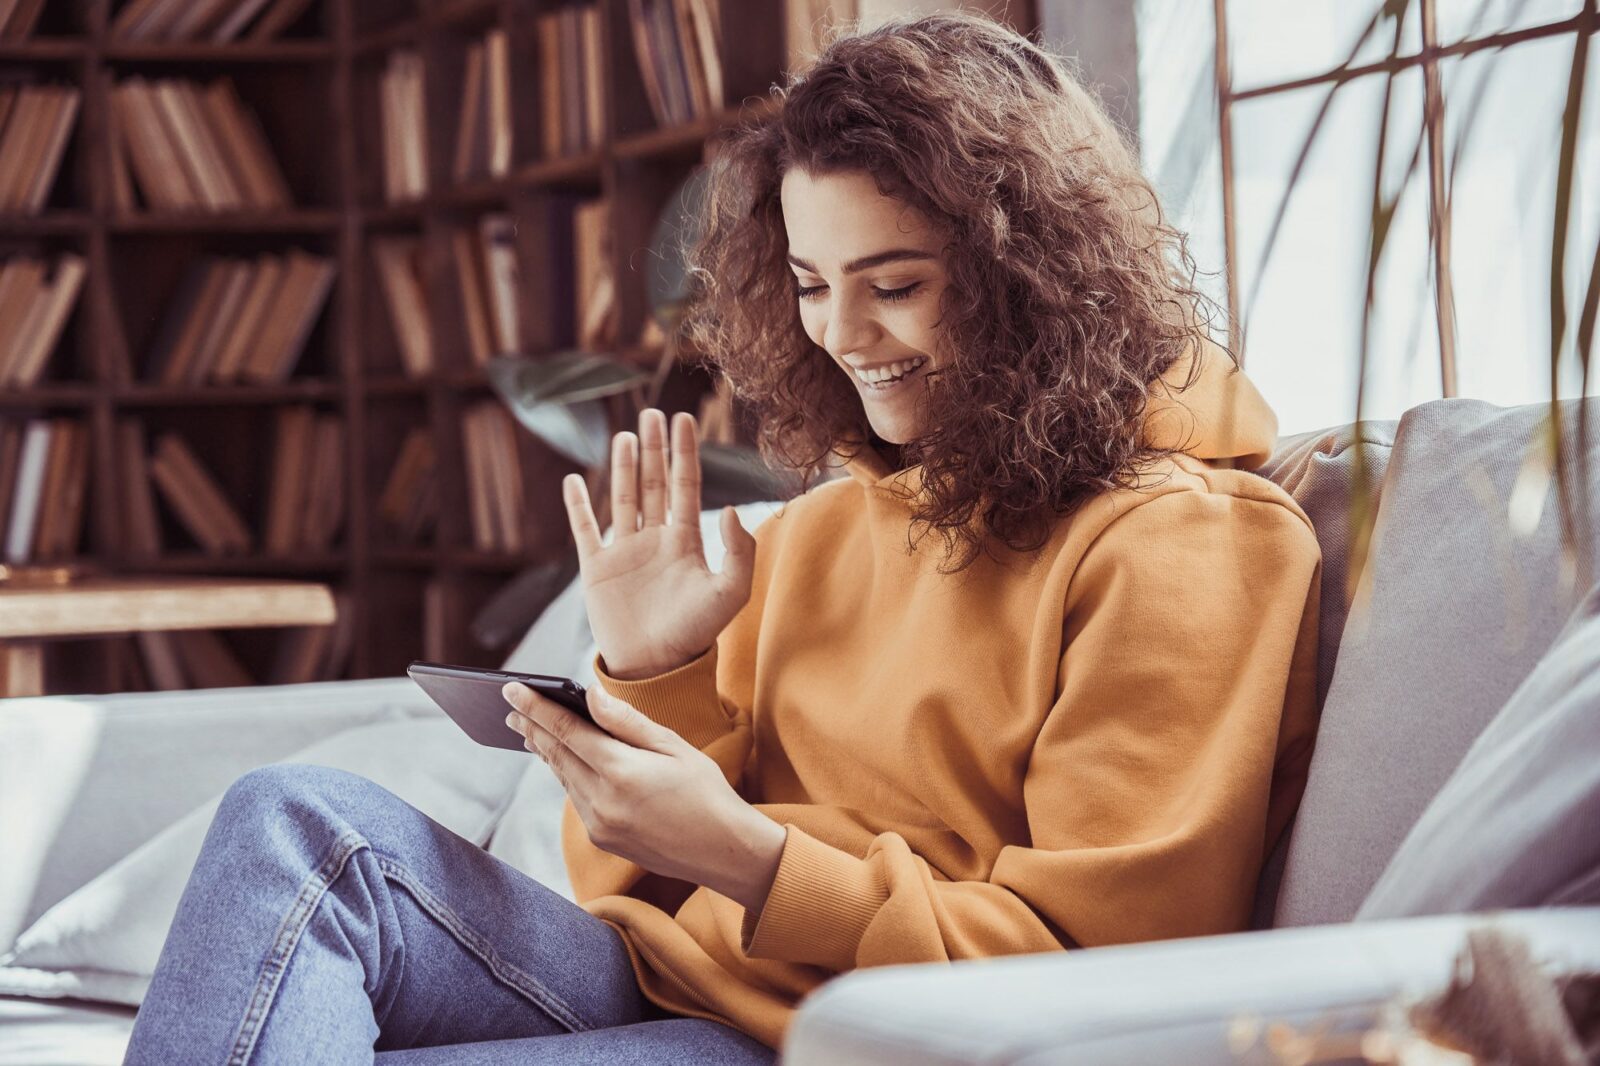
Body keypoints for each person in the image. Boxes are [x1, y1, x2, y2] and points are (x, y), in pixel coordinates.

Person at [123, 12, 1321, 1064]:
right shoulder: (827, 522)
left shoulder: (1186, 546)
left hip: (849, 1041)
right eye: (809, 281)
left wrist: (754, 861)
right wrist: (659, 675)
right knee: (297, 825)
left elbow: (1095, 979)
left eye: (893, 282)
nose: (844, 333)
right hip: (664, 986)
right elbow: (624, 893)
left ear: (1033, 273)